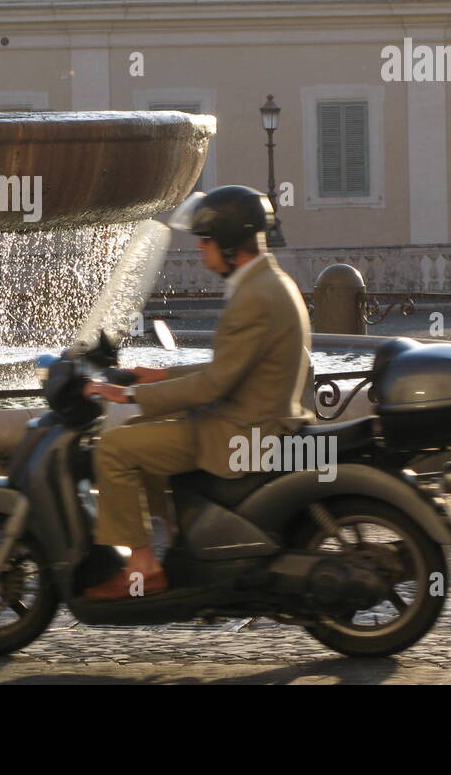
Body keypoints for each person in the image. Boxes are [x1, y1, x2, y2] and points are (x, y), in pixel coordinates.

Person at [80, 185, 313, 601]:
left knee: (115, 447)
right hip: (255, 419)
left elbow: (214, 385)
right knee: (145, 429)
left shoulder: (254, 296)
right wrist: (159, 376)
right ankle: (181, 535)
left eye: (205, 242)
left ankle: (143, 566)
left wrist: (128, 396)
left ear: (227, 246)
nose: (201, 252)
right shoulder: (268, 282)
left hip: (242, 433)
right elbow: (231, 367)